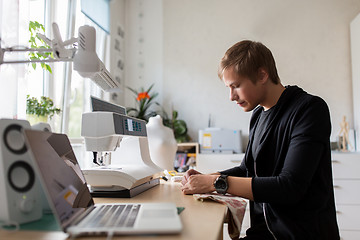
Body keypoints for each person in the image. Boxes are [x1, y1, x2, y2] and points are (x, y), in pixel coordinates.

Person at [180, 40, 340, 240]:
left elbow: (290, 187)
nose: (231, 96)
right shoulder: (258, 115)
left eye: (236, 86)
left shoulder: (309, 109)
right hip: (264, 233)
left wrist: (214, 182)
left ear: (262, 75)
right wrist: (205, 178)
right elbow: (248, 169)